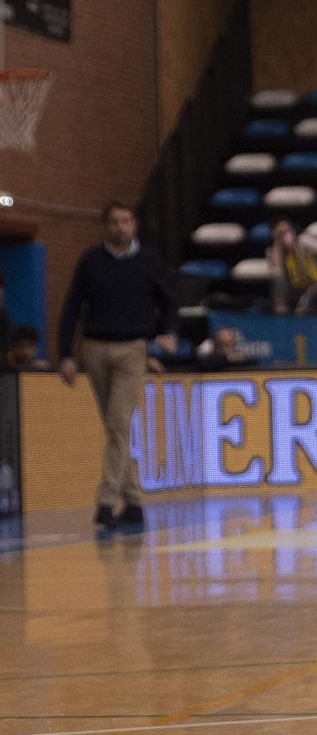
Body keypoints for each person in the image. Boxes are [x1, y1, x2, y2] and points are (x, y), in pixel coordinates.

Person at [56, 202, 178, 530]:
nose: (120, 227)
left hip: (132, 349)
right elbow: (71, 306)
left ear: (134, 225)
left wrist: (167, 332)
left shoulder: (149, 259)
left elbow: (167, 300)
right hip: (94, 347)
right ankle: (135, 501)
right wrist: (66, 354)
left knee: (118, 420)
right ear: (105, 227)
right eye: (113, 222)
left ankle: (106, 500)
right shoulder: (91, 260)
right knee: (114, 428)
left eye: (125, 221)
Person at [267, 218, 317, 313]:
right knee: (277, 273)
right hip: (290, 287)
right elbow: (276, 266)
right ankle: (280, 306)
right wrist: (278, 244)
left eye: (288, 231)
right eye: (282, 233)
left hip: (310, 285)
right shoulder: (273, 249)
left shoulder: (303, 240)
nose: (286, 236)